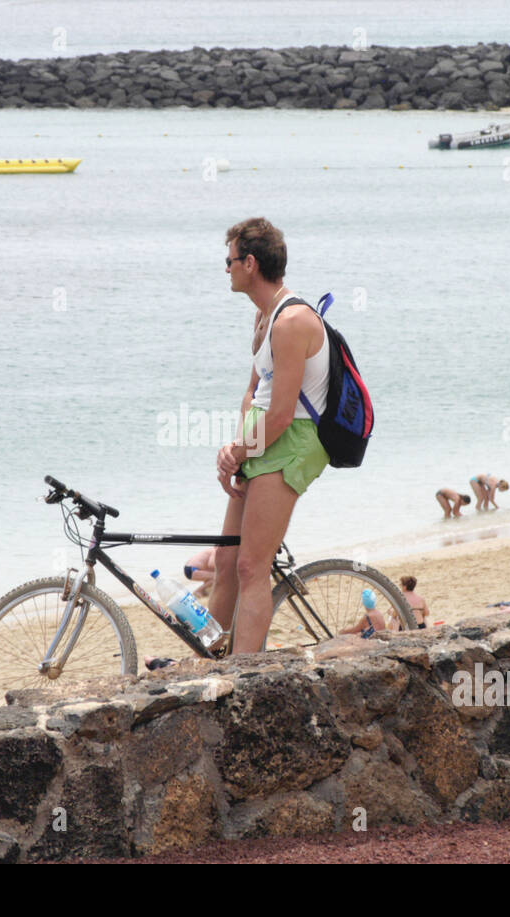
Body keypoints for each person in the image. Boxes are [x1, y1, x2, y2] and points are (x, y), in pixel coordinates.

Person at [210, 217, 331, 655]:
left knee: (250, 567)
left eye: (230, 261)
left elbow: (281, 415)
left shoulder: (291, 322)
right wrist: (234, 451)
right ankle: (209, 659)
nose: (226, 268)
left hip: (293, 442)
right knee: (225, 560)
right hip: (261, 439)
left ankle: (242, 678)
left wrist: (243, 448)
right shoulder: (263, 317)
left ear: (251, 263)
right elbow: (254, 390)